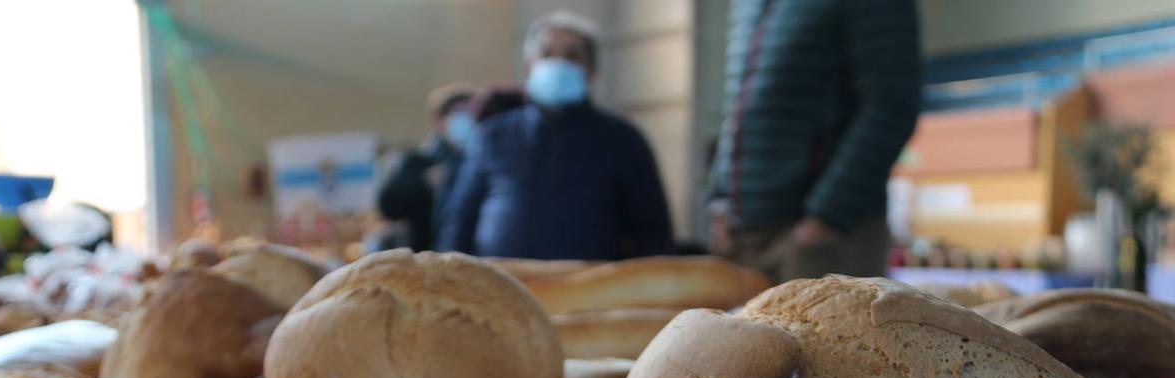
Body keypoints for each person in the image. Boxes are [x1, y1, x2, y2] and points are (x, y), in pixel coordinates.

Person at [709, 0, 921, 281]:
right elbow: (739, 106)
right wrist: (720, 201)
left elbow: (892, 106)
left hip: (822, 239)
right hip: (742, 238)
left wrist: (824, 221)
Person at [437, 11, 672, 260]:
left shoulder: (623, 140)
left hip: (591, 292)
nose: (558, 63)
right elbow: (459, 220)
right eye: (547, 54)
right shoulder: (492, 136)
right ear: (529, 68)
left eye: (572, 56)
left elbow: (653, 231)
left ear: (592, 71)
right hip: (502, 288)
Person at [377, 83, 477, 252]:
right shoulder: (419, 160)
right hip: (426, 257)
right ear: (438, 119)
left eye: (469, 113)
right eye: (458, 112)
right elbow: (388, 205)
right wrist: (422, 182)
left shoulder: (478, 161)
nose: (465, 119)